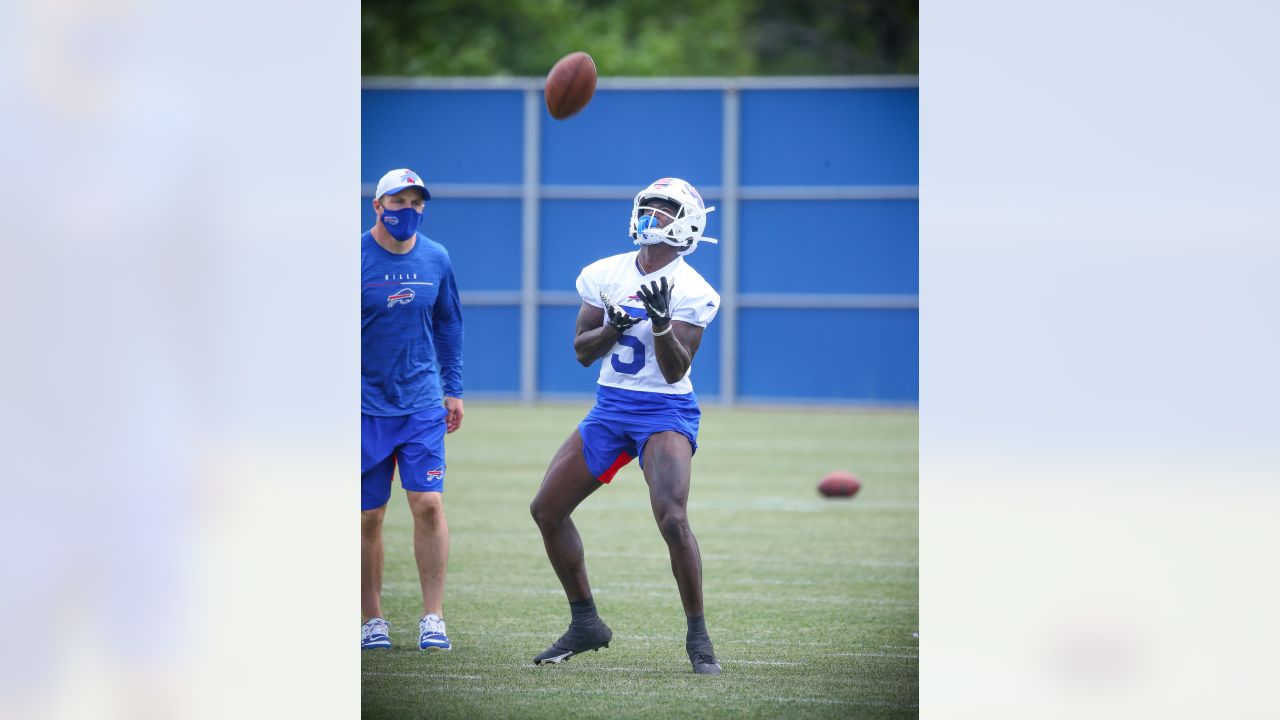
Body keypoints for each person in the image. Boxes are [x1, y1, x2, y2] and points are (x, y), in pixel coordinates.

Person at [530, 177, 723, 675]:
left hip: (664, 410)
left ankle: (699, 639)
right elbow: (581, 351)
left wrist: (659, 324)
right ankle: (586, 623)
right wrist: (614, 325)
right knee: (547, 510)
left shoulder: (695, 289)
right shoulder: (604, 273)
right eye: (648, 206)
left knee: (672, 519)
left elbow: (677, 369)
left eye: (662, 210)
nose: (650, 215)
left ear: (684, 225)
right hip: (611, 407)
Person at [360, 168, 465, 651]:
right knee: (368, 517)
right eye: (397, 202)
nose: (408, 211)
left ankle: (433, 617)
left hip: (421, 403)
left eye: (416, 203)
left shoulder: (436, 258)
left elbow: (448, 324)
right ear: (377, 206)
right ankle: (372, 618)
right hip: (363, 406)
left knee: (428, 504)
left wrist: (453, 388)